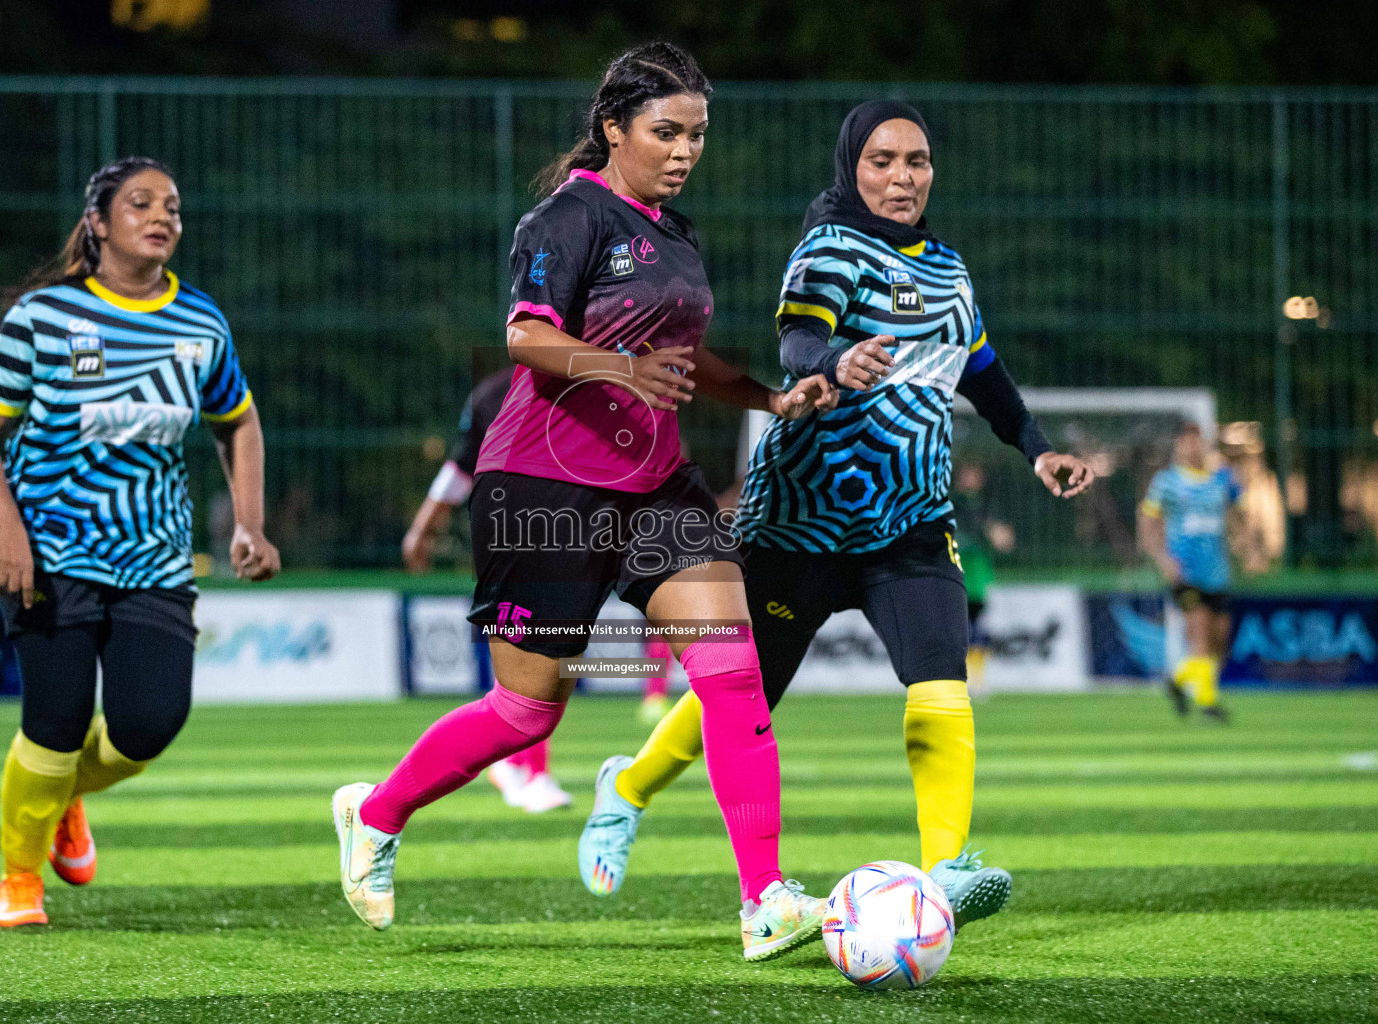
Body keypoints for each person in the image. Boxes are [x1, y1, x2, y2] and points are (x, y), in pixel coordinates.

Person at [333, 42, 838, 962]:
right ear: (614, 129)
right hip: (545, 489)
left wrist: (770, 397)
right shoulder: (565, 217)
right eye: (666, 131)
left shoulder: (676, 234)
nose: (686, 150)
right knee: (526, 714)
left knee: (734, 675)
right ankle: (375, 813)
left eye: (698, 134)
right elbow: (527, 339)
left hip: (657, 489)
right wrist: (623, 368)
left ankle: (763, 899)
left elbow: (690, 362)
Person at [577, 100, 1096, 932]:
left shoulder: (952, 271)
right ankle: (627, 785)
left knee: (940, 678)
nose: (902, 177)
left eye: (917, 161)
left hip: (912, 522)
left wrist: (1036, 450)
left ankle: (948, 867)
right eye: (883, 160)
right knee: (745, 696)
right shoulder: (829, 249)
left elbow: (983, 372)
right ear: (852, 167)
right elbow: (796, 339)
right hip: (798, 526)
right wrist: (832, 360)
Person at [0, 156, 280, 928]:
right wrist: (6, 527)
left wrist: (249, 522)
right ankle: (20, 879)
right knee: (55, 722)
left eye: (171, 205)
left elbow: (238, 421)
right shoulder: (45, 317)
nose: (162, 215)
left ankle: (63, 797)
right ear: (98, 223)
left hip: (156, 560)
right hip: (47, 554)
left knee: (146, 726)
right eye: (141, 203)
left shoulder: (200, 320)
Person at [404, 367, 573, 814]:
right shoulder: (492, 395)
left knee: (546, 658)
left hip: (570, 537)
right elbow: (461, 466)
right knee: (540, 655)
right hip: (511, 539)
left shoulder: (600, 385)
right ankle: (534, 772)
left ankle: (515, 763)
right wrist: (423, 528)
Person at [1139, 420, 1240, 722]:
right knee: (1199, 636)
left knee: (1220, 640)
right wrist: (1162, 558)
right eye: (1186, 441)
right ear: (1178, 446)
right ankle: (1208, 703)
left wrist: (1248, 548)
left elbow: (1237, 514)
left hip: (1218, 572)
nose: (1192, 446)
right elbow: (1147, 522)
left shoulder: (1220, 481)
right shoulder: (1166, 482)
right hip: (1186, 573)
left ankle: (1177, 681)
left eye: (1197, 440)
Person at [952, 462, 1015, 698]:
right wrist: (987, 532)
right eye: (969, 474)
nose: (973, 479)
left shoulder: (987, 505)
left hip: (977, 577)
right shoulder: (953, 503)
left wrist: (1001, 536)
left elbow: (1004, 539)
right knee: (957, 630)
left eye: (976, 474)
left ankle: (976, 679)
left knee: (976, 629)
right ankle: (955, 678)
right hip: (954, 572)